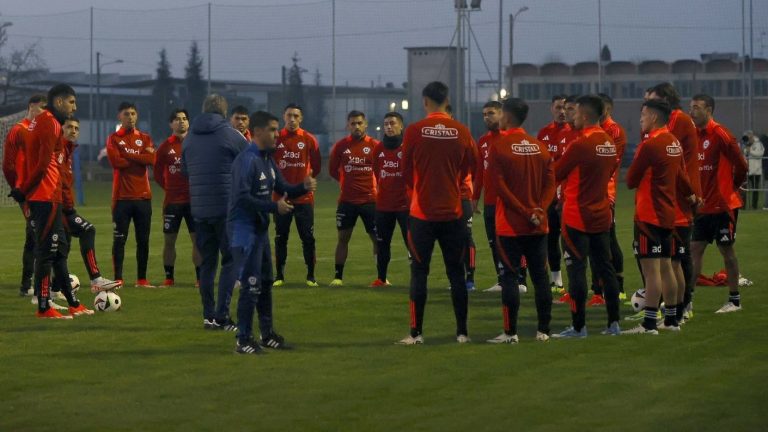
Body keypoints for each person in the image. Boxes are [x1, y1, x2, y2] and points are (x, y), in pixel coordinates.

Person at [396, 81, 477, 345]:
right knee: (456, 273)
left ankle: (416, 333)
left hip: (422, 215)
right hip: (453, 212)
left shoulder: (415, 131)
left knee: (419, 272)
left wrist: (418, 189)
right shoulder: (462, 131)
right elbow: (470, 167)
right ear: (447, 100)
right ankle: (462, 332)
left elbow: (405, 169)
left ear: (425, 101)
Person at [229, 111, 316, 354]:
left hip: (259, 232)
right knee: (251, 285)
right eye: (273, 130)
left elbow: (283, 187)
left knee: (266, 282)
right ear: (258, 132)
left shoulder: (267, 159)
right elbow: (242, 198)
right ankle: (243, 339)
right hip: (243, 233)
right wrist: (273, 207)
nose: (277, 134)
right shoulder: (247, 160)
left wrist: (303, 187)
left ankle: (266, 335)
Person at [17, 84, 93, 318]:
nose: (74, 107)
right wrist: (25, 190)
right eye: (71, 102)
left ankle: (73, 303)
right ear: (59, 102)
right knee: (47, 252)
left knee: (59, 251)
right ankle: (43, 306)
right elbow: (41, 164)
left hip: (52, 196)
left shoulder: (49, 122)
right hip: (45, 197)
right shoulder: (49, 122)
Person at [486, 97, 555, 344]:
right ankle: (544, 331)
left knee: (510, 279)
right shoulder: (539, 146)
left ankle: (510, 332)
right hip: (538, 225)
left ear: (507, 116)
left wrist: (525, 212)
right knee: (540, 277)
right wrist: (540, 210)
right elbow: (550, 183)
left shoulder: (500, 146)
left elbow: (500, 188)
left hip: (510, 226)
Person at [552, 95, 621, 338]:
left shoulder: (580, 144)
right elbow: (612, 170)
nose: (572, 116)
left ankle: (579, 327)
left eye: (576, 112)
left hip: (576, 216)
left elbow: (556, 172)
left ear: (586, 115)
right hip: (601, 214)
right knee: (606, 269)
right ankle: (614, 324)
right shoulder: (608, 142)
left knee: (576, 272)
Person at [624, 100, 695, 335]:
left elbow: (631, 180)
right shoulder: (674, 142)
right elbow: (681, 176)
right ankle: (672, 320)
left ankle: (649, 324)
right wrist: (693, 195)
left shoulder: (651, 144)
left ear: (654, 117)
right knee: (667, 267)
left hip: (649, 215)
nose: (641, 120)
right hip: (668, 214)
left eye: (643, 115)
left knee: (652, 271)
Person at [182, 94, 248, 330]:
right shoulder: (230, 134)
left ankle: (208, 316)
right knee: (230, 260)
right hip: (226, 209)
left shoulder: (189, 138)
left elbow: (185, 170)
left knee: (208, 263)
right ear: (223, 112)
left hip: (199, 210)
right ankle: (222, 315)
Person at [689, 94, 748, 314]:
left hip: (723, 206)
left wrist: (732, 186)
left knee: (727, 250)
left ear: (709, 110)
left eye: (696, 107)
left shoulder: (720, 134)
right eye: (690, 107)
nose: (691, 111)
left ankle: (734, 301)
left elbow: (741, 164)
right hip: (702, 206)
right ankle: (688, 300)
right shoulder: (692, 136)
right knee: (695, 249)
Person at [648, 83, 701, 322]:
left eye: (653, 101)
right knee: (671, 257)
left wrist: (689, 191)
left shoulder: (677, 121)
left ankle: (682, 305)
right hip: (673, 194)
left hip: (679, 196)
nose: (647, 106)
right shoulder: (672, 122)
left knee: (676, 257)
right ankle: (669, 306)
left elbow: (673, 159)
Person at [61, 117, 121, 293]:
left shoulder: (68, 150)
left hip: (65, 207)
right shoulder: (60, 151)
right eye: (69, 127)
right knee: (87, 230)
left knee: (62, 248)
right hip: (58, 208)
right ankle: (96, 280)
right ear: (61, 129)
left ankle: (55, 288)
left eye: (76, 128)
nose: (73, 131)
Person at [106, 101, 156, 288]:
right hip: (121, 199)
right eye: (126, 114)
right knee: (119, 240)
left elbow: (151, 159)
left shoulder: (145, 138)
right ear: (120, 116)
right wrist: (138, 158)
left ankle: (141, 279)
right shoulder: (113, 138)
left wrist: (127, 154)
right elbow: (116, 162)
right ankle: (118, 278)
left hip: (143, 198)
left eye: (133, 113)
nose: (130, 117)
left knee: (143, 240)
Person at [272, 103, 321, 287]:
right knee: (280, 237)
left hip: (304, 198)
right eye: (289, 115)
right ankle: (279, 276)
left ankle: (310, 276)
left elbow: (316, 166)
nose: (292, 119)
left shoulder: (309, 139)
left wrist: (306, 184)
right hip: (281, 198)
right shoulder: (276, 138)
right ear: (284, 117)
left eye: (296, 116)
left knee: (307, 237)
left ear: (301, 118)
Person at [328, 110, 379, 286]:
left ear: (366, 124)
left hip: (370, 201)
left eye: (359, 123)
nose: (356, 126)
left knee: (376, 238)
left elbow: (381, 171)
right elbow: (333, 170)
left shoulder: (374, 145)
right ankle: (337, 277)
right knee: (343, 238)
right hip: (347, 201)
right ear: (347, 125)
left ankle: (381, 276)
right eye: (353, 123)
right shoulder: (341, 146)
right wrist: (345, 182)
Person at [3, 94, 47, 297]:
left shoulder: (43, 130)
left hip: (43, 190)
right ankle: (30, 285)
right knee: (35, 235)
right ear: (31, 106)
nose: (43, 112)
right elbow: (8, 164)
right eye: (41, 108)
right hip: (27, 192)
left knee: (38, 236)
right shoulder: (18, 130)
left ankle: (33, 284)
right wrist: (18, 188)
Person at [587, 93, 627, 306]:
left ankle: (616, 287)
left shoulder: (614, 131)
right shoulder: (591, 129)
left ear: (607, 109)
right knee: (595, 243)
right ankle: (598, 290)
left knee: (608, 241)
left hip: (606, 193)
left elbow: (610, 163)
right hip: (590, 193)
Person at [154, 109, 202, 287]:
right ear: (171, 124)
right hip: (172, 202)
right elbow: (157, 172)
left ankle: (199, 277)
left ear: (188, 123)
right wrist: (168, 188)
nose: (181, 122)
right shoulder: (165, 146)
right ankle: (169, 277)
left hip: (194, 201)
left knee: (197, 240)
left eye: (184, 119)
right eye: (176, 119)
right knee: (169, 241)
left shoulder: (196, 144)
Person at [371, 111, 409, 287]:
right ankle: (381, 278)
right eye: (386, 124)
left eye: (392, 123)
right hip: (384, 205)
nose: (389, 127)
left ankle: (417, 277)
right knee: (382, 243)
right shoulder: (378, 149)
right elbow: (378, 173)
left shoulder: (408, 147)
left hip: (405, 205)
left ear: (401, 126)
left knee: (411, 243)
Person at [536, 94, 570, 292]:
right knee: (550, 238)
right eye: (558, 107)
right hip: (549, 194)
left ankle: (580, 280)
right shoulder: (543, 133)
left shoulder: (573, 133)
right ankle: (556, 279)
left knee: (568, 239)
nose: (562, 111)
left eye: (565, 108)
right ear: (551, 109)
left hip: (567, 195)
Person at [472, 100, 506, 292]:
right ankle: (501, 280)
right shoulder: (483, 141)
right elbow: (479, 172)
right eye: (484, 114)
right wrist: (475, 196)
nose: (487, 117)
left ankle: (520, 280)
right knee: (493, 242)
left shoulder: (509, 138)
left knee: (512, 242)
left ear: (502, 114)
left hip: (508, 201)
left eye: (491, 113)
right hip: (490, 202)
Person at [743, 130, 764, 210]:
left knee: (755, 189)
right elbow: (745, 154)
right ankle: (743, 206)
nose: (749, 137)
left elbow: (760, 154)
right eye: (748, 135)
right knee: (745, 188)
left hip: (756, 170)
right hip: (748, 170)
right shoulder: (747, 143)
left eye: (750, 135)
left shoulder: (758, 144)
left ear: (752, 135)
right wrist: (746, 150)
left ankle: (754, 206)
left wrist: (750, 151)